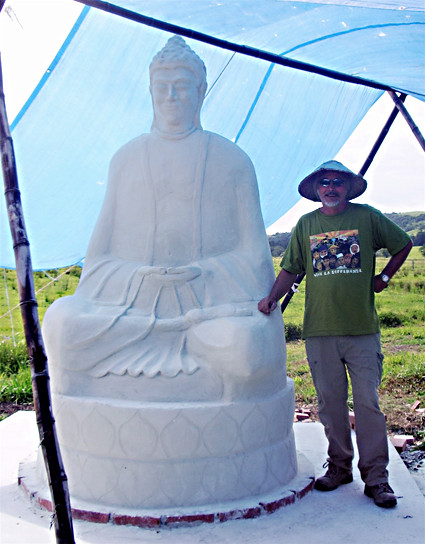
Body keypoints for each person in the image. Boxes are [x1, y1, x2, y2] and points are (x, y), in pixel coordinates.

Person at [42, 35, 286, 404]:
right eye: (162, 87)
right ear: (150, 90)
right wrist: (140, 277)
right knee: (61, 323)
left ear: (201, 91)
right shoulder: (126, 160)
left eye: (182, 86)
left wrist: (202, 274)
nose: (171, 96)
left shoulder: (232, 161)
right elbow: (97, 263)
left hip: (210, 316)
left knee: (249, 345)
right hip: (131, 313)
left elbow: (255, 262)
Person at [258, 160, 412, 508]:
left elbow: (402, 244)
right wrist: (271, 298)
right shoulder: (306, 225)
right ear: (316, 189)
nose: (330, 187)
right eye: (324, 182)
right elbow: (291, 268)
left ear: (347, 188)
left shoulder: (367, 217)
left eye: (337, 182)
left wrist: (384, 278)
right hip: (320, 330)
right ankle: (340, 467)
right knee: (330, 405)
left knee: (368, 405)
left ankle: (377, 479)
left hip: (361, 330)